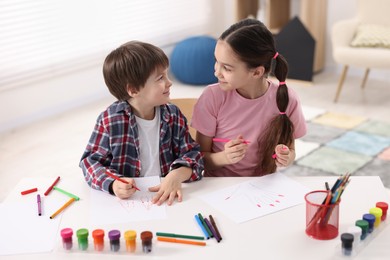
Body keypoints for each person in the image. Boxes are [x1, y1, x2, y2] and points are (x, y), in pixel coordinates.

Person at [80, 41, 204, 205]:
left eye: (166, 75)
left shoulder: (173, 115)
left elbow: (193, 154)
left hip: (169, 199)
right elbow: (90, 162)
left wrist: (177, 175)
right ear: (133, 90)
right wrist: (113, 183)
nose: (169, 82)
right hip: (132, 203)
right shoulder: (110, 120)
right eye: (160, 78)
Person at [191, 18, 306, 177]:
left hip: (263, 185)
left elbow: (290, 151)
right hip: (219, 186)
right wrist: (223, 157)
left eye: (227, 68)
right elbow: (197, 158)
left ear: (257, 72)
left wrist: (286, 157)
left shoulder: (287, 98)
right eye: (217, 62)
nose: (217, 72)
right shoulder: (212, 97)